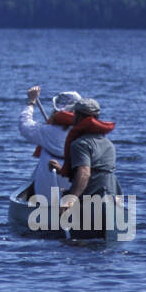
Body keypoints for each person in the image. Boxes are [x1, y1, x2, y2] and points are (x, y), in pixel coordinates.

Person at [49, 97, 118, 236]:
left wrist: (71, 198)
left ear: (78, 117)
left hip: (91, 202)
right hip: (111, 199)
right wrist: (62, 170)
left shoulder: (80, 144)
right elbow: (97, 171)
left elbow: (85, 173)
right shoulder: (108, 144)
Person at [18, 86, 80, 203]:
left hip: (46, 193)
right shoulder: (86, 133)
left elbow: (24, 124)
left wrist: (30, 102)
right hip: (75, 189)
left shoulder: (46, 131)